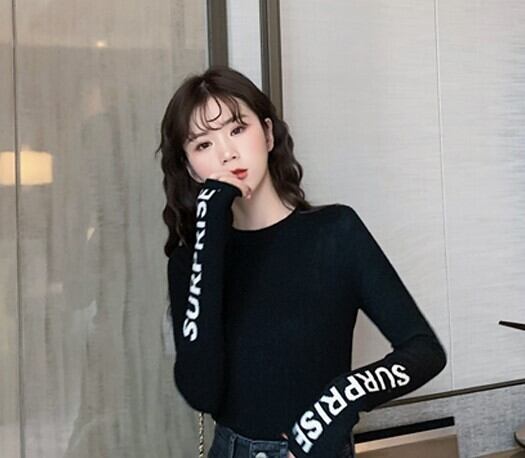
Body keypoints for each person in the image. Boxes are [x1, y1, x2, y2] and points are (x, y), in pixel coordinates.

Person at [156, 65, 447, 458]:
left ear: (267, 134)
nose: (227, 153)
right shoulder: (191, 261)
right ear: (190, 167)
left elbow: (424, 350)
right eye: (203, 145)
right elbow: (201, 391)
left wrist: (336, 403)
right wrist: (209, 227)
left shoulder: (335, 233)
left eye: (237, 129)